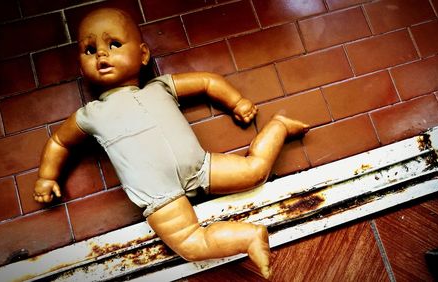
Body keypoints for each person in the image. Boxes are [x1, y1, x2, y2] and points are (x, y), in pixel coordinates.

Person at [33, 8, 309, 279]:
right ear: (82, 66)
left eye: (114, 44)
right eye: (90, 50)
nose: (101, 54)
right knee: (189, 244)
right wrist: (47, 176)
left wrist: (235, 101)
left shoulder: (159, 86)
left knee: (254, 172)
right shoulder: (90, 115)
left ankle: (279, 127)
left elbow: (205, 82)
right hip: (159, 197)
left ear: (142, 55)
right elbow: (59, 142)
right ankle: (248, 237)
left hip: (200, 166)